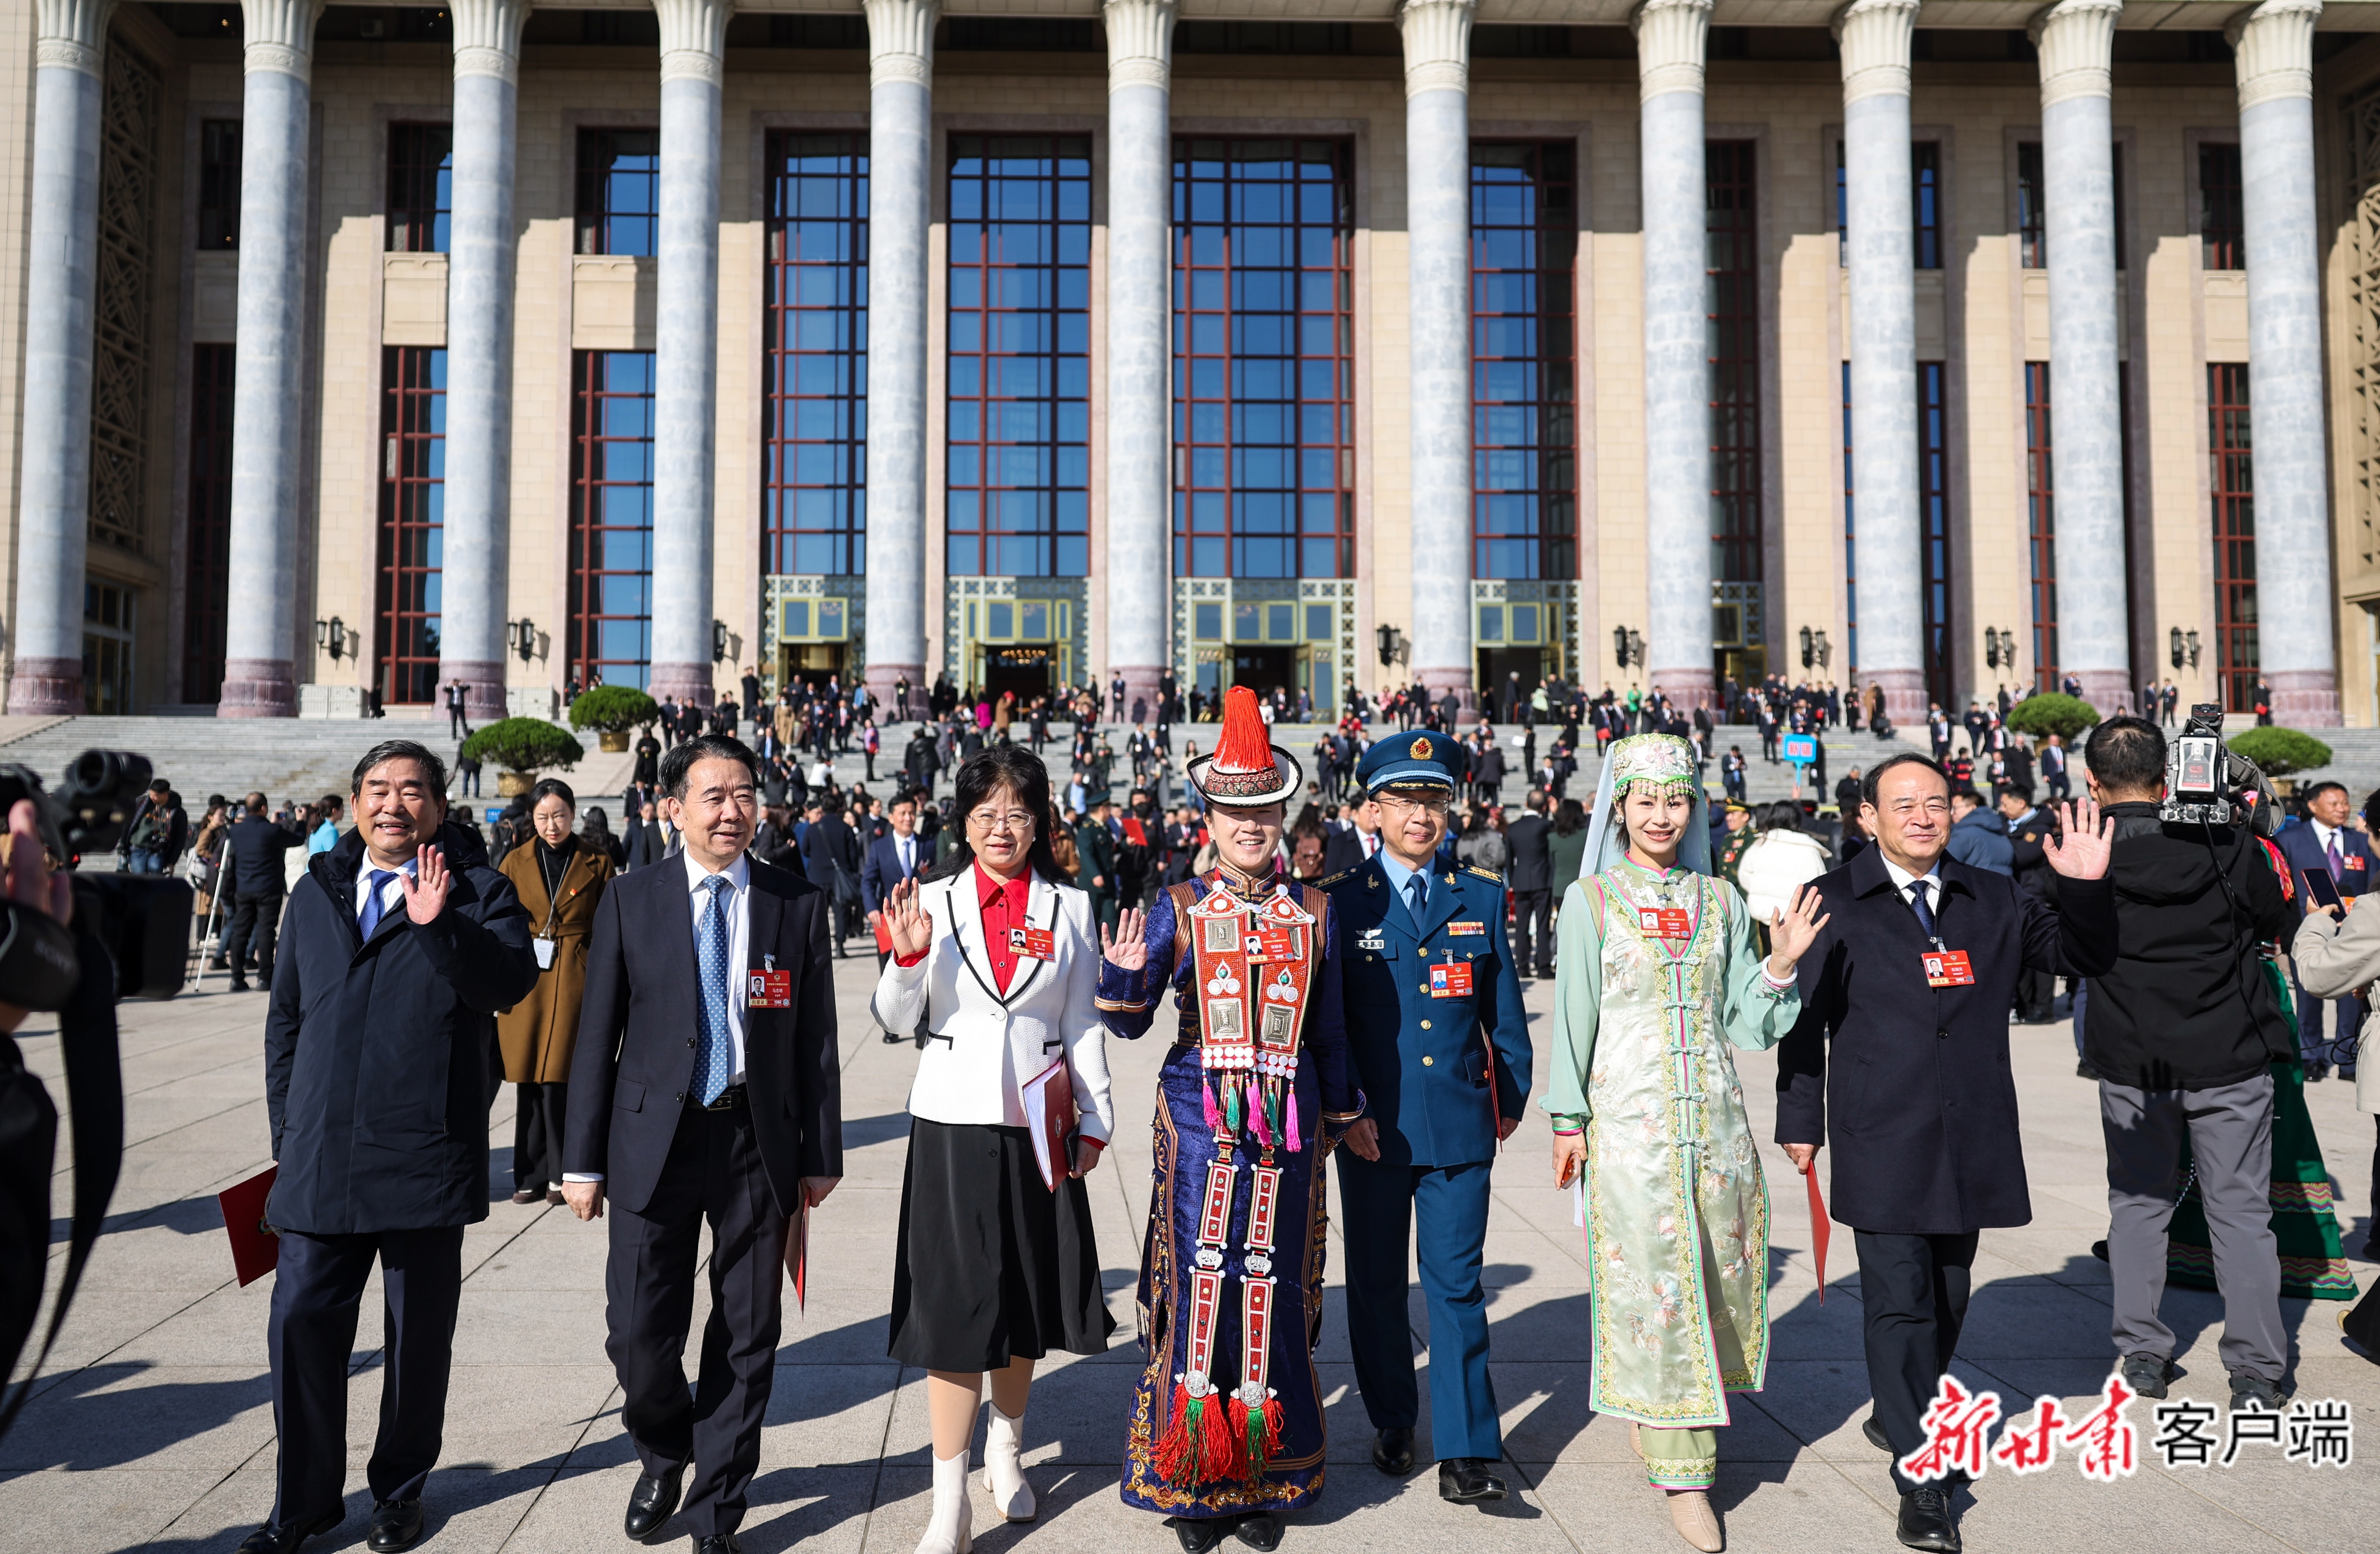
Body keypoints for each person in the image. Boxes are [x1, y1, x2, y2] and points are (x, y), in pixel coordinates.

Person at [1774, 753, 2116, 1554]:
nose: (1923, 816)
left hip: (1971, 1130)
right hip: (1880, 1131)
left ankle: (1900, 1409)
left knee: (1950, 1290)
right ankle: (1923, 1480)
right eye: (1904, 804)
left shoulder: (1992, 894)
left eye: (1936, 802)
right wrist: (1801, 1121)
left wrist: (2088, 886)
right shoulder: (1831, 902)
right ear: (1868, 817)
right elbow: (1804, 1019)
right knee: (1900, 1301)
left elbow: (2084, 957)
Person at [242, 741, 538, 1554]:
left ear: (439, 808)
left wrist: (441, 928)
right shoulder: (316, 892)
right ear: (354, 802)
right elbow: (287, 1026)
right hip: (320, 1164)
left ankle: (400, 1492)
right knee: (300, 1328)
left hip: (423, 1157)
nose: (393, 804)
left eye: (412, 791)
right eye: (378, 789)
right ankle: (299, 1505)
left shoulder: (479, 890)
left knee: (414, 1344)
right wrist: (288, 1140)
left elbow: (509, 985)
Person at [1098, 684, 1365, 1549]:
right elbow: (1132, 1019)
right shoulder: (1180, 907)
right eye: (1234, 811)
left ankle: (1265, 1473)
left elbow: (1329, 1030)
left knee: (1273, 1288)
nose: (1251, 825)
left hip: (1288, 1131)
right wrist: (1128, 977)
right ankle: (1190, 1469)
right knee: (1197, 1289)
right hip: (1198, 1123)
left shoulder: (1315, 911)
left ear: (1283, 815)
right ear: (1208, 816)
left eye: (1264, 811)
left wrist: (1345, 1110)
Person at [561, 735, 843, 1553]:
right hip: (655, 1135)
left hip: (758, 1138)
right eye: (713, 796)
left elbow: (816, 1038)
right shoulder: (631, 897)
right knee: (638, 1332)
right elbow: (595, 1036)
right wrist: (580, 1161)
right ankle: (664, 1446)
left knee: (749, 1332)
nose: (732, 810)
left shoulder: (795, 901)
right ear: (673, 808)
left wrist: (820, 1151)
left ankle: (719, 1507)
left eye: (744, 793)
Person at [1544, 736, 1824, 1551]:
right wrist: (1569, 1121)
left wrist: (1777, 965)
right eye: (1645, 801)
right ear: (1619, 808)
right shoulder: (1591, 900)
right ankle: (1687, 1471)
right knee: (1655, 1288)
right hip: (1630, 1131)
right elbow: (1574, 1019)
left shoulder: (1722, 902)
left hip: (1716, 1128)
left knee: (1713, 1280)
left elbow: (1745, 1020)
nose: (1661, 815)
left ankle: (1662, 1419)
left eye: (1676, 801)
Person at [872, 743, 1114, 1554]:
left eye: (1017, 812)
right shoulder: (930, 902)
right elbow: (897, 1018)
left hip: (1041, 1125)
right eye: (985, 813)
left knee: (1024, 1301)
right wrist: (906, 961)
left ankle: (1006, 1454)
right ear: (963, 821)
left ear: (1040, 819)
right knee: (955, 1309)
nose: (1001, 827)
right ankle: (949, 1499)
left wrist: (1096, 1116)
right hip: (951, 1119)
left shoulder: (1070, 908)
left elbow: (1080, 1021)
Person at [2076, 717, 2313, 1407]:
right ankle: (2257, 1369)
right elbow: (2281, 912)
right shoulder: (2231, 845)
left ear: (2092, 782)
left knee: (2138, 1206)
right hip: (2227, 1051)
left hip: (2131, 1060)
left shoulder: (2087, 854)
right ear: (2167, 776)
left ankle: (2141, 1351)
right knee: (2241, 1212)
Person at [1327, 729, 1532, 1506]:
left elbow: (1502, 1008)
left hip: (1456, 1125)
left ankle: (1469, 1447)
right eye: (1405, 799)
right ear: (1371, 810)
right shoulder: (1341, 900)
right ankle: (1391, 1417)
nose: (1422, 813)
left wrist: (1509, 1098)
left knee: (1456, 1287)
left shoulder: (1478, 891)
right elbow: (1328, 1022)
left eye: (1435, 798)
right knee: (1377, 1284)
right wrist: (1344, 1111)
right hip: (1373, 1129)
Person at [495, 779, 615, 1207]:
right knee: (528, 1079)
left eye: (560, 815)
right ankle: (529, 1173)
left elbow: (610, 924)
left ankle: (564, 1173)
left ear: (573, 813)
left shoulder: (597, 860)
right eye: (544, 816)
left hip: (574, 973)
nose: (552, 825)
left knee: (561, 1079)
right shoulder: (514, 860)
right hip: (528, 974)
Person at [2277, 780, 2370, 1081]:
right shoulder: (2289, 839)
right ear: (2313, 806)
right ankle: (2312, 1057)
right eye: (2335, 803)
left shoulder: (2361, 841)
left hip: (2352, 935)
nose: (2343, 809)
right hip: (2307, 933)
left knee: (2352, 1001)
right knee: (2308, 1000)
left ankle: (2348, 1059)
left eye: (2345, 803)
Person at [224, 792, 304, 992]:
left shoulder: (235, 831)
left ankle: (236, 978)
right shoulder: (272, 831)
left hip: (244, 889)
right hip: (269, 889)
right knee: (266, 932)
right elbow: (297, 840)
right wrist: (302, 821)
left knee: (240, 932)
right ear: (264, 808)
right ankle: (265, 978)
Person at [1505, 788, 1555, 980]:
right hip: (1542, 880)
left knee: (1522, 926)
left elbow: (1509, 858)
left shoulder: (1513, 828)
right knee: (1543, 925)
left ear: (1526, 804)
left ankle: (1523, 966)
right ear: (1543, 807)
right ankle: (1543, 967)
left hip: (1521, 881)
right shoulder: (1545, 825)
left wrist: (1512, 880)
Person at [1944, 786, 2013, 875]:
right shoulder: (2002, 834)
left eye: (1955, 808)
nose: (1952, 813)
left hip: (1971, 886)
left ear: (1972, 807)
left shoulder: (1962, 834)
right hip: (2003, 886)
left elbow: (1945, 865)